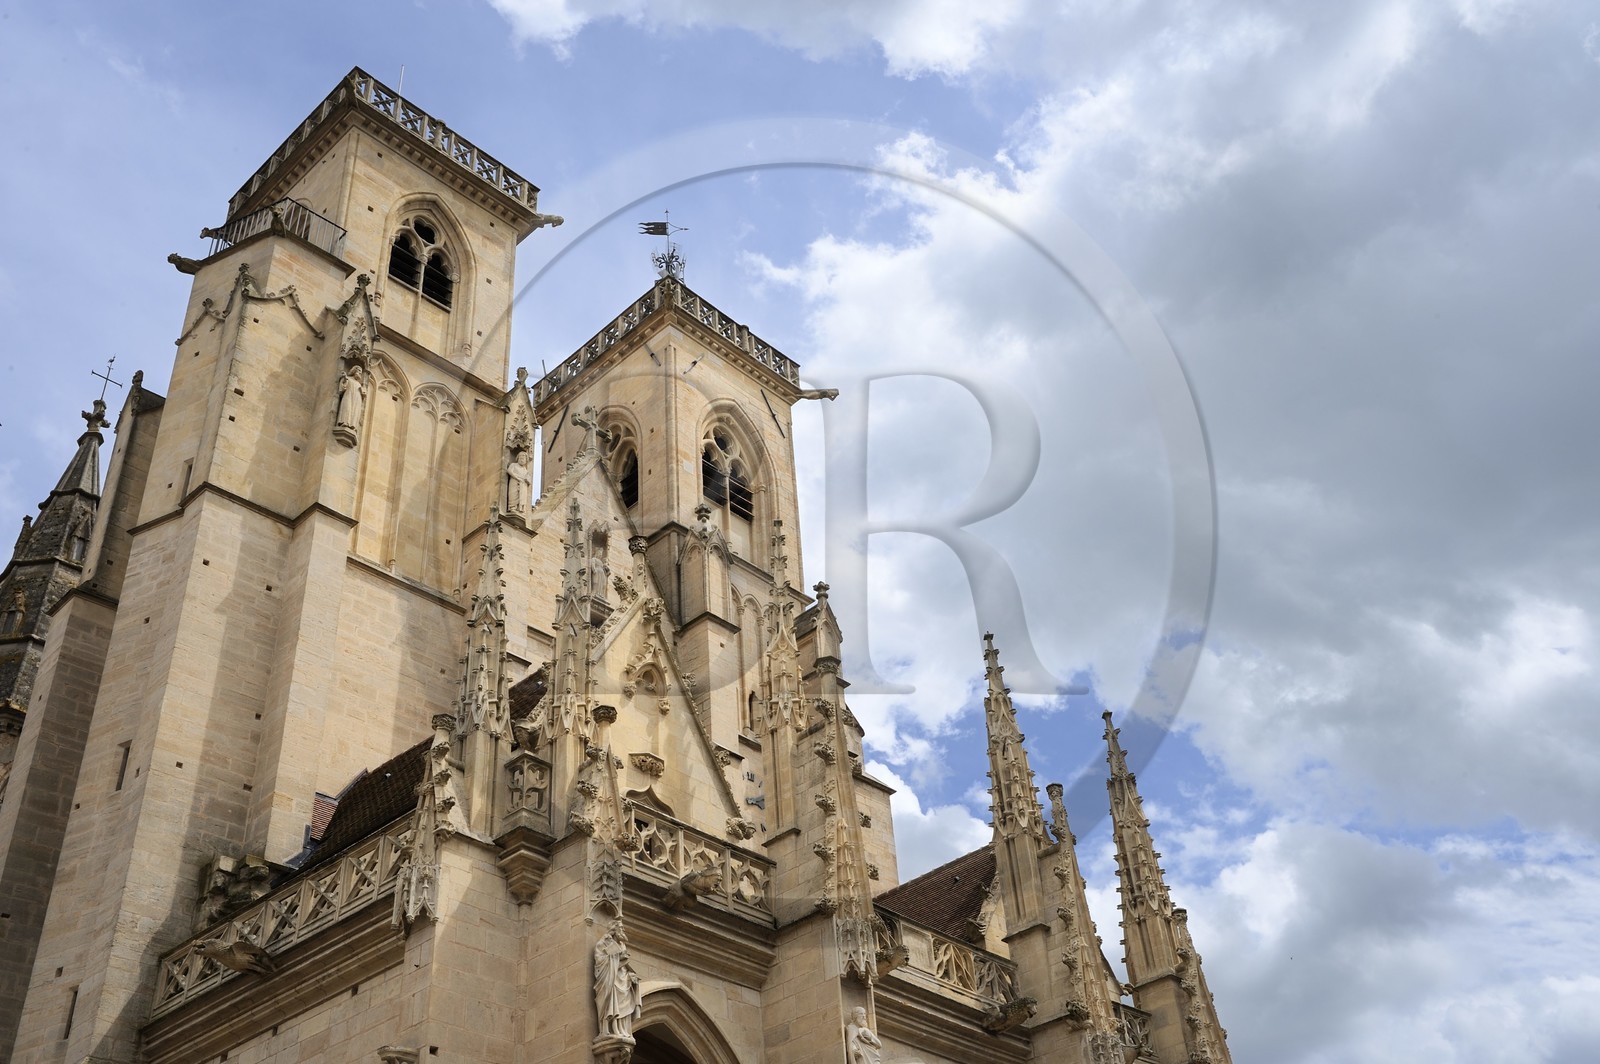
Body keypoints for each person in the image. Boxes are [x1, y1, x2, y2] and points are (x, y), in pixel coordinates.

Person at [594, 925, 642, 1038]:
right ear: (614, 930)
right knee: (609, 1002)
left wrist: (631, 976)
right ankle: (607, 1030)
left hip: (623, 979)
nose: (624, 930)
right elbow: (600, 961)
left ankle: (622, 1031)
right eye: (621, 928)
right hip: (610, 978)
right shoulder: (603, 943)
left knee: (623, 1006)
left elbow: (625, 966)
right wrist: (617, 958)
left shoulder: (622, 945)